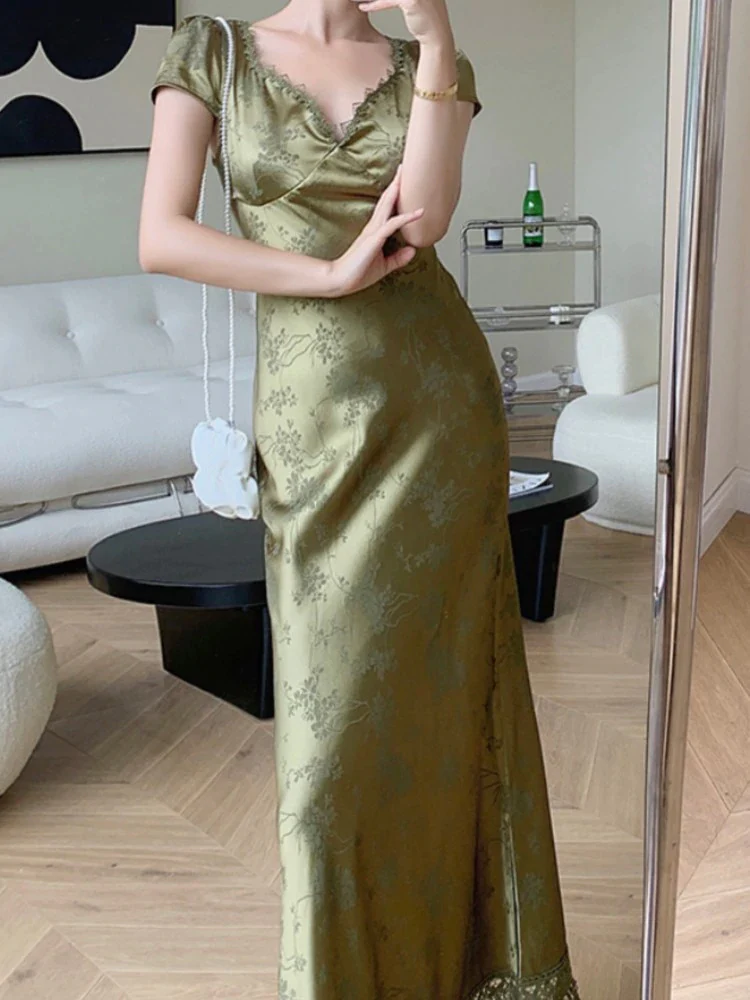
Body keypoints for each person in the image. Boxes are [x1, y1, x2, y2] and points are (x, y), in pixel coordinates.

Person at [141, 1, 582, 997]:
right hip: (315, 425)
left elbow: (422, 223)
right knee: (329, 758)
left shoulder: (427, 59)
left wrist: (437, 36)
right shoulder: (213, 49)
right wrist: (329, 275)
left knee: (453, 708)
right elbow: (161, 236)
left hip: (440, 412)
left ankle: (478, 970)